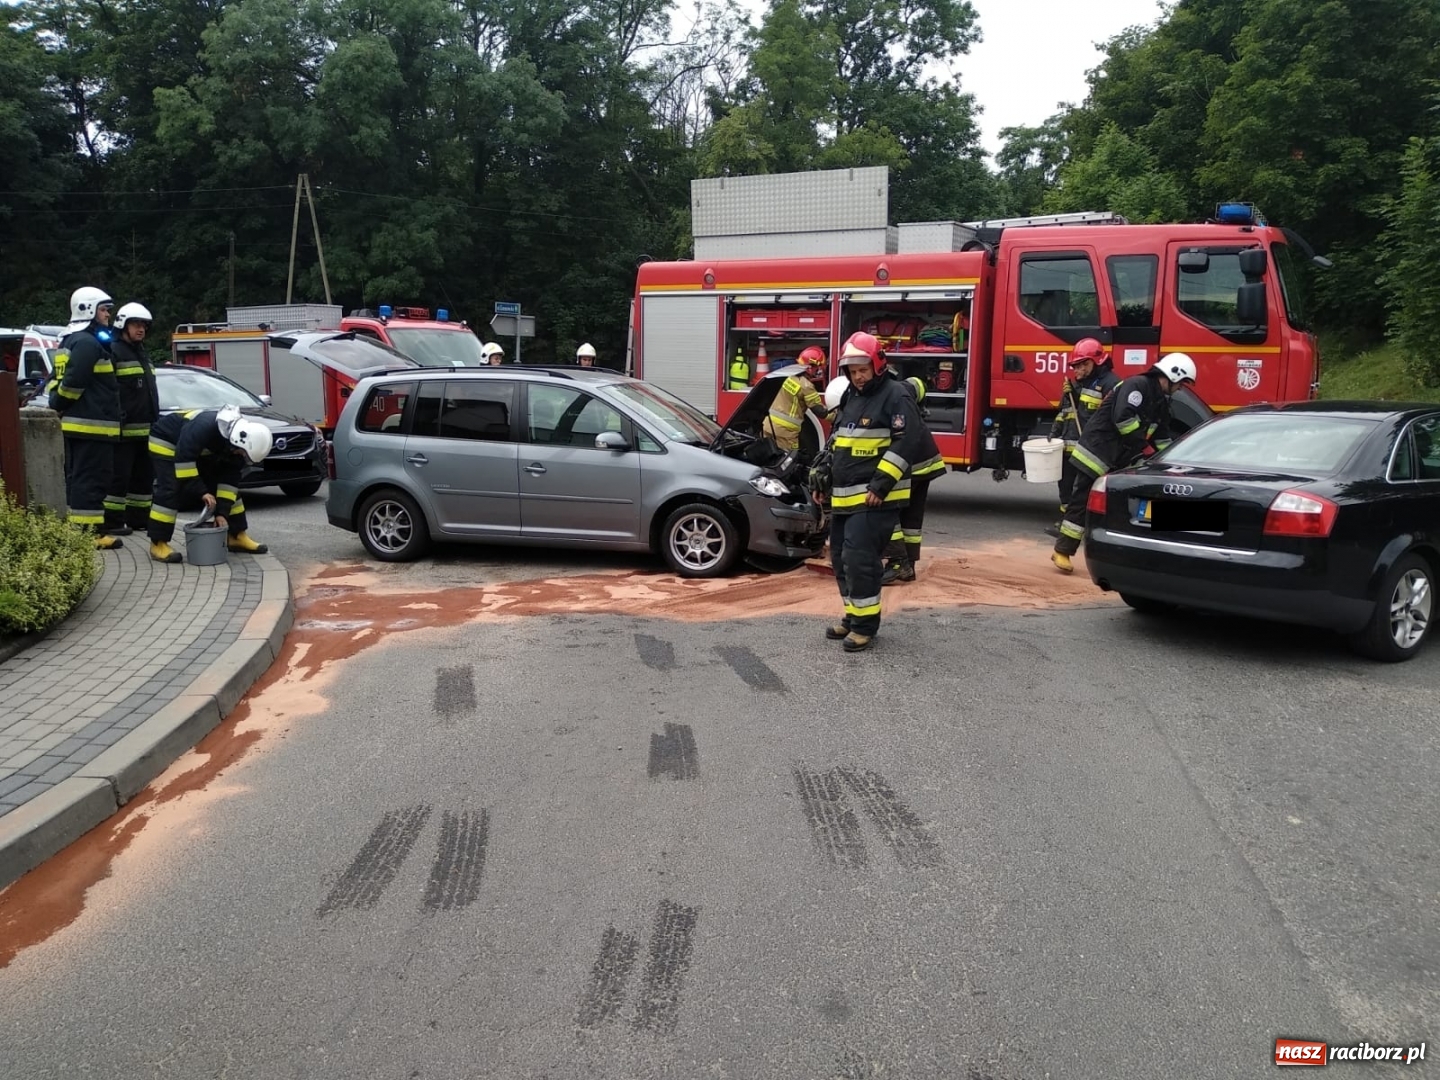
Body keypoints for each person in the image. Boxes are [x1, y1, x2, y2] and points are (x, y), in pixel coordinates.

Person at [812, 331, 924, 653]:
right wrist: (823, 476)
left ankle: (865, 627)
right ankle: (853, 614)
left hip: (876, 497)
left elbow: (908, 441)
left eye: (863, 369)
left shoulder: (895, 396)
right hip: (845, 494)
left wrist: (881, 484)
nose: (858, 376)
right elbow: (839, 441)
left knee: (860, 558)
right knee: (841, 559)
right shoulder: (851, 394)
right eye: (852, 370)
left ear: (877, 364)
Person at [1051, 352, 1198, 574]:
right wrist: (1145, 449)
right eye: (1181, 384)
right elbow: (1124, 419)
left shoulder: (1160, 402)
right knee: (1082, 500)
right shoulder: (1136, 385)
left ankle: (1113, 557)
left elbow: (1161, 435)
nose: (1181, 389)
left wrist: (1173, 460)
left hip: (1118, 457)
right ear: (1171, 376)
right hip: (1097, 451)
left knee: (1118, 506)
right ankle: (1062, 550)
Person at [147, 405, 274, 563]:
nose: (241, 456)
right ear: (236, 441)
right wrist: (202, 492)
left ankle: (236, 536)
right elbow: (184, 462)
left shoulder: (236, 445)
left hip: (195, 450)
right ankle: (158, 544)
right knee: (170, 488)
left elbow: (229, 481)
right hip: (166, 440)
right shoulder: (204, 428)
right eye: (241, 453)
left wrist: (222, 513)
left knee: (231, 492)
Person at [51, 286, 123, 548]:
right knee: (91, 478)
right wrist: (59, 403)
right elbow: (72, 383)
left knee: (80, 477)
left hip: (82, 425)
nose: (107, 316)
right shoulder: (87, 343)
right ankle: (89, 534)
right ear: (88, 310)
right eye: (104, 310)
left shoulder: (72, 340)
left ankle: (84, 530)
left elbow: (55, 382)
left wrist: (56, 404)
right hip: (91, 426)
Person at [1046, 338, 1119, 538]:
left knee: (1082, 491)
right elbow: (1065, 412)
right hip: (1070, 447)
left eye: (1079, 366)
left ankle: (1082, 527)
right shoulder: (1076, 385)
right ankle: (1065, 522)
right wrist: (1054, 432)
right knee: (1066, 488)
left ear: (1092, 363)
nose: (1075, 370)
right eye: (1074, 366)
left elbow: (1109, 420)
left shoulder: (1111, 384)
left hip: (1090, 450)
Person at [882, 376, 948, 584]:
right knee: (911, 516)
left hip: (908, 463)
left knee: (886, 510)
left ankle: (897, 562)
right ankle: (908, 565)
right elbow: (917, 385)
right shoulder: (901, 390)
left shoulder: (881, 397)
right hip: (926, 460)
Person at [108, 303, 161, 535]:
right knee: (118, 479)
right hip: (123, 431)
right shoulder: (113, 351)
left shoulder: (142, 354)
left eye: (144, 326)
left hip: (146, 430)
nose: (141, 330)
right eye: (136, 324)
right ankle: (113, 522)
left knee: (143, 480)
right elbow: (109, 391)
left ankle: (139, 519)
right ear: (122, 325)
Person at [762, 346, 827, 455]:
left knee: (770, 457)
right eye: (817, 367)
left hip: (768, 426)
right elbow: (819, 411)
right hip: (786, 432)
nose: (819, 371)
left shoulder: (787, 376)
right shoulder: (806, 386)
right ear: (809, 367)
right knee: (789, 461)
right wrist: (835, 414)